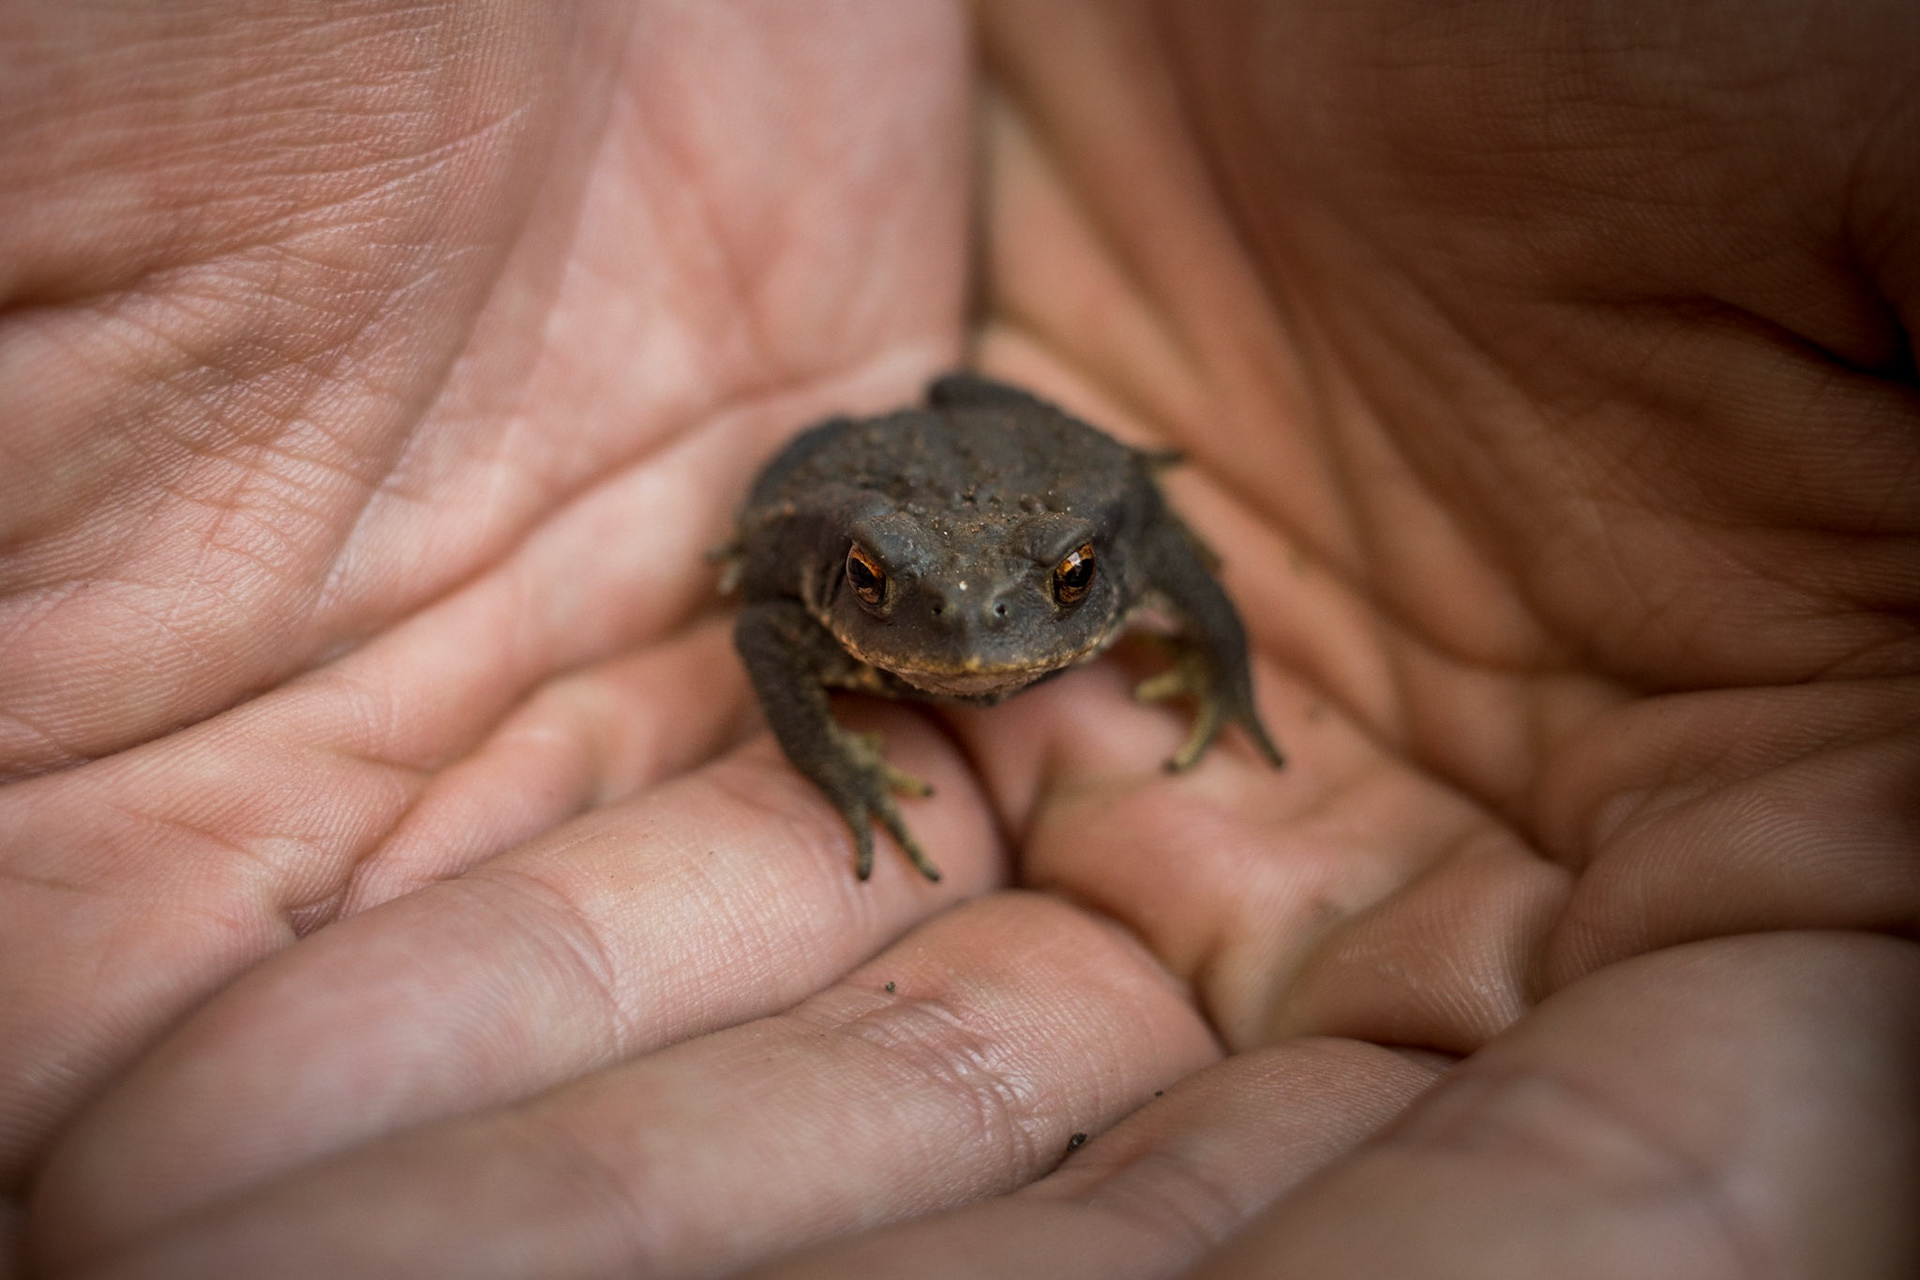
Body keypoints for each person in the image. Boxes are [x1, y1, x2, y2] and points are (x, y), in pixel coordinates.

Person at [3, 2, 1914, 1275]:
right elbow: (777, 618)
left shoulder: (1112, 548)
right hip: (900, 467)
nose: (984, 641)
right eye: (909, 613)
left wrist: (1204, 669)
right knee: (853, 505)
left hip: (1055, 469)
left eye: (1047, 612)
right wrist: (833, 742)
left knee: (1046, 543)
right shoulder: (832, 592)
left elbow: (1170, 552)